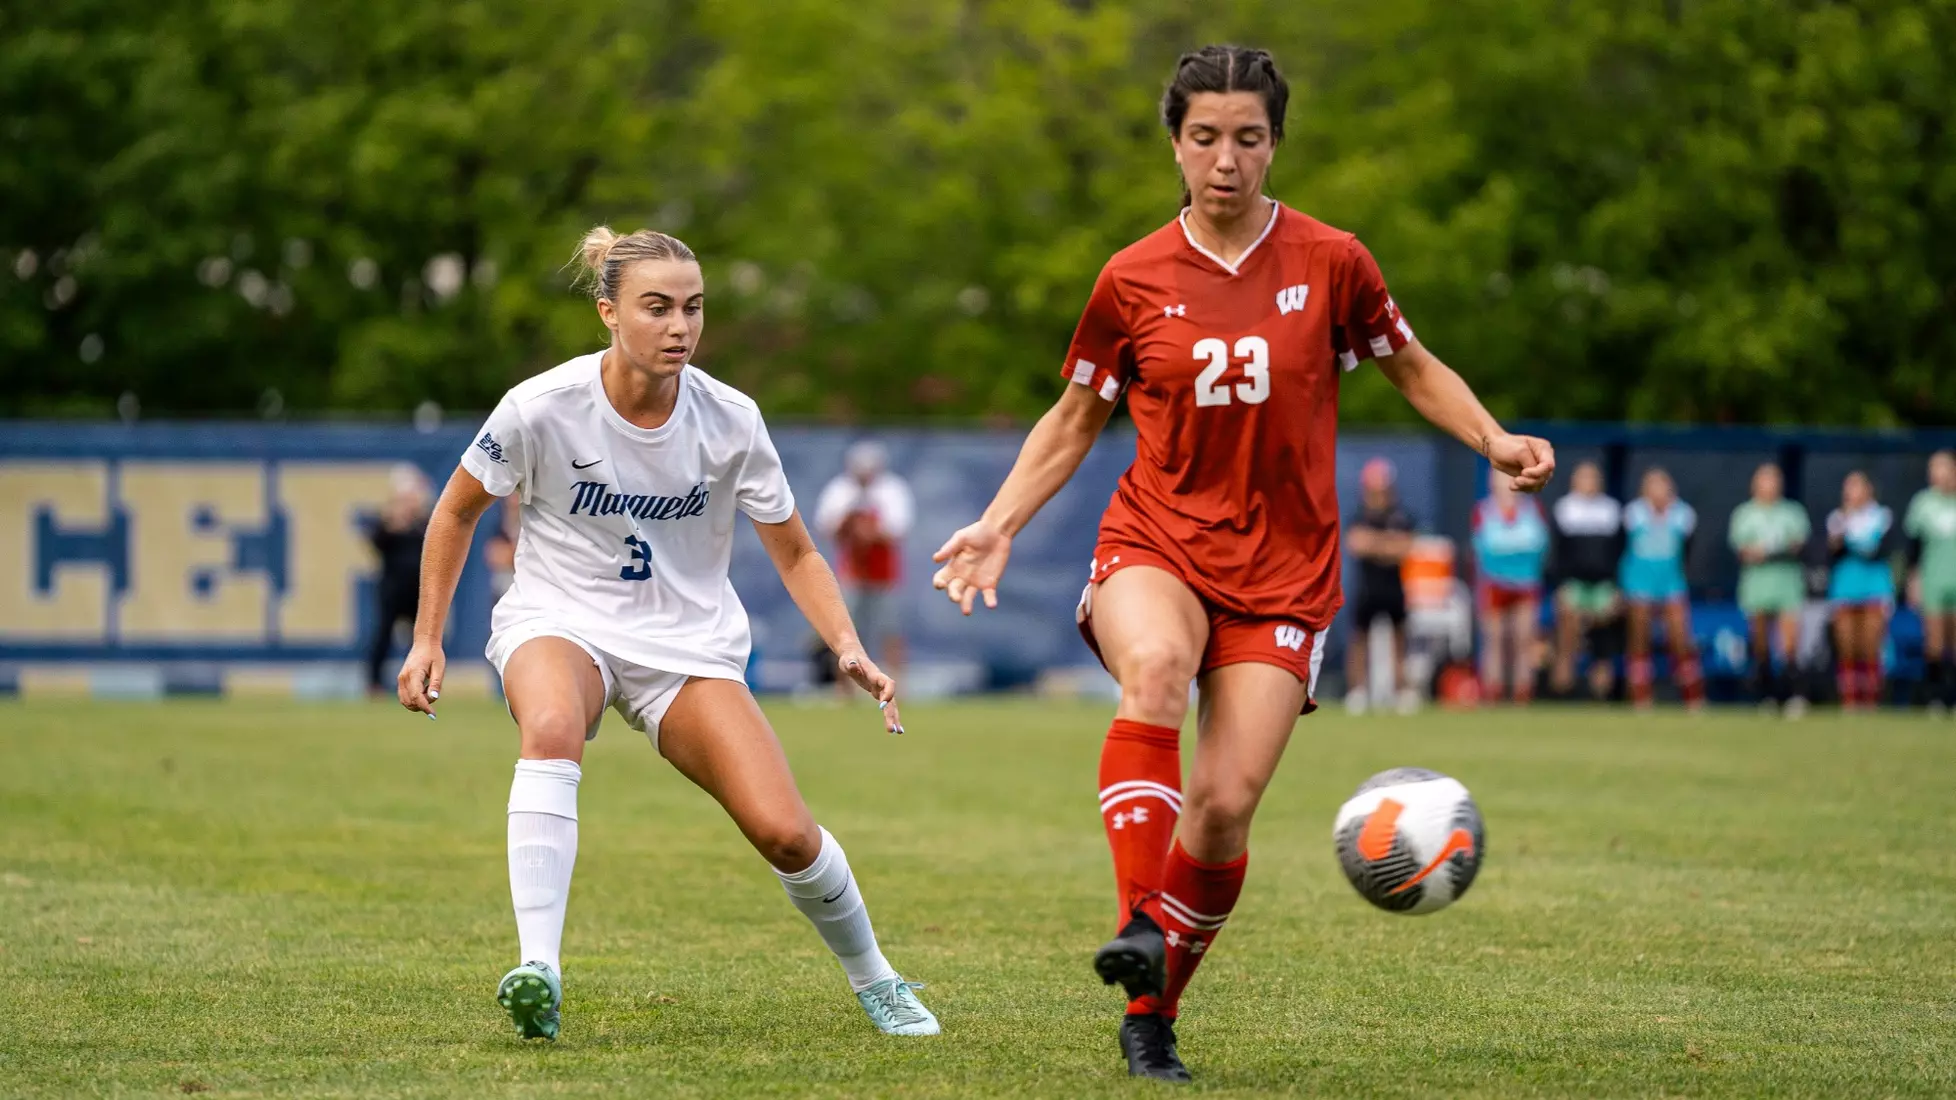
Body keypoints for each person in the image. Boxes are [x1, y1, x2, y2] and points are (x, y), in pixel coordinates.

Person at [927, 46, 1555, 1083]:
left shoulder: (1332, 259)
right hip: (1158, 538)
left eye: (1249, 138)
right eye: (1206, 137)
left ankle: (1152, 1012)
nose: (1227, 159)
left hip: (1287, 571)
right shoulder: (1131, 277)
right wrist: (1000, 522)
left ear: (1276, 144)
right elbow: (1077, 415)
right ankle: (1138, 919)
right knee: (1156, 674)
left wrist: (1491, 437)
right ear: (1176, 143)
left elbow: (1408, 359)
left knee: (1222, 805)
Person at [395, 226, 937, 1043]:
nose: (680, 326)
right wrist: (427, 638)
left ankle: (879, 980)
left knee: (785, 832)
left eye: (693, 307)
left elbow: (794, 550)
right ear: (609, 313)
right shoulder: (540, 405)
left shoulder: (731, 419)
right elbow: (456, 510)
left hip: (687, 646)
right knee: (548, 727)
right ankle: (538, 970)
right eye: (657, 308)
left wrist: (848, 645)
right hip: (559, 619)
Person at [814, 440, 915, 695]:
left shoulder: (892, 490)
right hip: (851, 572)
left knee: (890, 631)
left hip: (884, 574)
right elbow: (827, 526)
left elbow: (897, 529)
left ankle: (898, 688)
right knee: (844, 633)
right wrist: (850, 522)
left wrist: (869, 532)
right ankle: (843, 690)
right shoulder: (840, 490)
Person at [1727, 464, 1811, 710]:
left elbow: (1798, 544)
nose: (1769, 486)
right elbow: (1743, 550)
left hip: (1787, 584)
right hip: (1757, 585)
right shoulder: (1744, 514)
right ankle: (1767, 695)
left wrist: (1770, 551)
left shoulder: (1792, 512)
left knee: (1788, 643)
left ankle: (1792, 695)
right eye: (1764, 481)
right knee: (1761, 642)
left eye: (1774, 480)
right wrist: (1760, 552)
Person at [1620, 468, 1705, 709]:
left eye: (1662, 485)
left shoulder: (1683, 515)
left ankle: (1693, 697)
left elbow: (1688, 551)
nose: (1658, 492)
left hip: (1671, 583)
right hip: (1639, 582)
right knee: (1639, 639)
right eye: (1652, 486)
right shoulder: (1633, 514)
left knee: (1680, 638)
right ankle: (1641, 698)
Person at [1342, 457, 1416, 714]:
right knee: (1360, 640)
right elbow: (1355, 544)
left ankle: (1402, 692)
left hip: (1394, 588)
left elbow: (1404, 548)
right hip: (1367, 588)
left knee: (1399, 641)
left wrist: (1375, 545)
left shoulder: (1400, 514)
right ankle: (1357, 692)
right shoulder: (1359, 515)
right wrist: (1387, 545)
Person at [1472, 468, 1550, 703]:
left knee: (1523, 638)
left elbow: (1540, 546)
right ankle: (1493, 693)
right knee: (1494, 640)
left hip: (1525, 584)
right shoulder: (1484, 511)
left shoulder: (1531, 509)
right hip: (1494, 584)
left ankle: (1522, 692)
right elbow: (1481, 549)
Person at [1547, 461, 1624, 699]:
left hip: (1603, 586)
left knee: (1604, 633)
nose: (1588, 483)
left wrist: (1616, 589)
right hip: (1574, 584)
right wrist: (1560, 586)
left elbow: (1619, 553)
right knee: (1567, 623)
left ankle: (1601, 691)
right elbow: (1558, 554)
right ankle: (1563, 685)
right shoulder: (1564, 510)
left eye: (1592, 477)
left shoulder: (1612, 511)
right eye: (1583, 477)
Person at [1826, 470, 1896, 710]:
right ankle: (1850, 699)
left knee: (1870, 645)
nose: (1851, 493)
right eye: (1848, 487)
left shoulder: (1882, 517)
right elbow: (1833, 553)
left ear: (1868, 490)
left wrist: (1851, 542)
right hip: (1845, 587)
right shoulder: (1837, 518)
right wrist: (1844, 535)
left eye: (1856, 487)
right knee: (1847, 645)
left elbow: (1878, 552)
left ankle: (1871, 699)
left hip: (1875, 587)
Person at [365, 465, 431, 696]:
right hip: (392, 588)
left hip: (419, 589)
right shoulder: (389, 523)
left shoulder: (425, 522)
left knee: (422, 638)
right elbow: (376, 543)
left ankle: (423, 684)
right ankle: (374, 684)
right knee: (383, 636)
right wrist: (394, 523)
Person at [1904, 450, 1956, 714]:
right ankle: (1936, 698)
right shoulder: (1923, 503)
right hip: (1935, 579)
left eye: (1943, 467)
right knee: (1934, 641)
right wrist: (1914, 580)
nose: (1937, 473)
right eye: (1933, 468)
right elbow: (1914, 548)